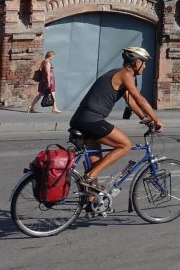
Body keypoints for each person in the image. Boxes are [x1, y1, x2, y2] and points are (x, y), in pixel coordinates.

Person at [68, 46, 163, 189]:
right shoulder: (126, 74)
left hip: (81, 119)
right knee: (125, 145)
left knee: (96, 165)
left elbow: (131, 101)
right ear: (137, 62)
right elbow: (139, 99)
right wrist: (156, 120)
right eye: (144, 62)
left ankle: (91, 200)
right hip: (91, 120)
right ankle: (89, 177)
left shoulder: (119, 74)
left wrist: (144, 118)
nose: (145, 66)